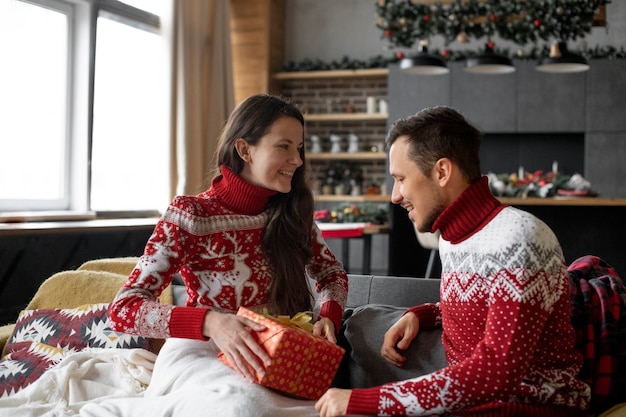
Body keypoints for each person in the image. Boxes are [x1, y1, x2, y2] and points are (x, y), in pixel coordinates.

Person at [315, 106, 590, 417]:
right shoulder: (451, 238)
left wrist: (368, 401)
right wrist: (425, 314)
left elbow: (497, 371)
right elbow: (490, 306)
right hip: (467, 406)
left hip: (526, 408)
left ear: (442, 172)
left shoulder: (519, 238)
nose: (394, 195)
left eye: (401, 178)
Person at [105, 93, 348, 415]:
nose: (298, 160)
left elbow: (331, 275)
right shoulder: (190, 214)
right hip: (204, 351)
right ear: (245, 149)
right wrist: (213, 323)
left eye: (299, 148)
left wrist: (329, 316)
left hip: (279, 354)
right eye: (284, 146)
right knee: (243, 407)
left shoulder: (293, 214)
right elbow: (125, 309)